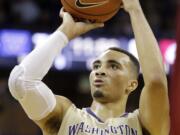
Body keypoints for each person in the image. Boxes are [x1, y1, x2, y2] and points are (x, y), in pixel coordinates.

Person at [8, 0, 170, 134]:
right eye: (97, 66)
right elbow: (21, 82)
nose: (100, 71)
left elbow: (156, 82)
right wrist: (65, 33)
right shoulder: (64, 115)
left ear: (132, 84)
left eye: (113, 66)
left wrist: (135, 10)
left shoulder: (143, 124)